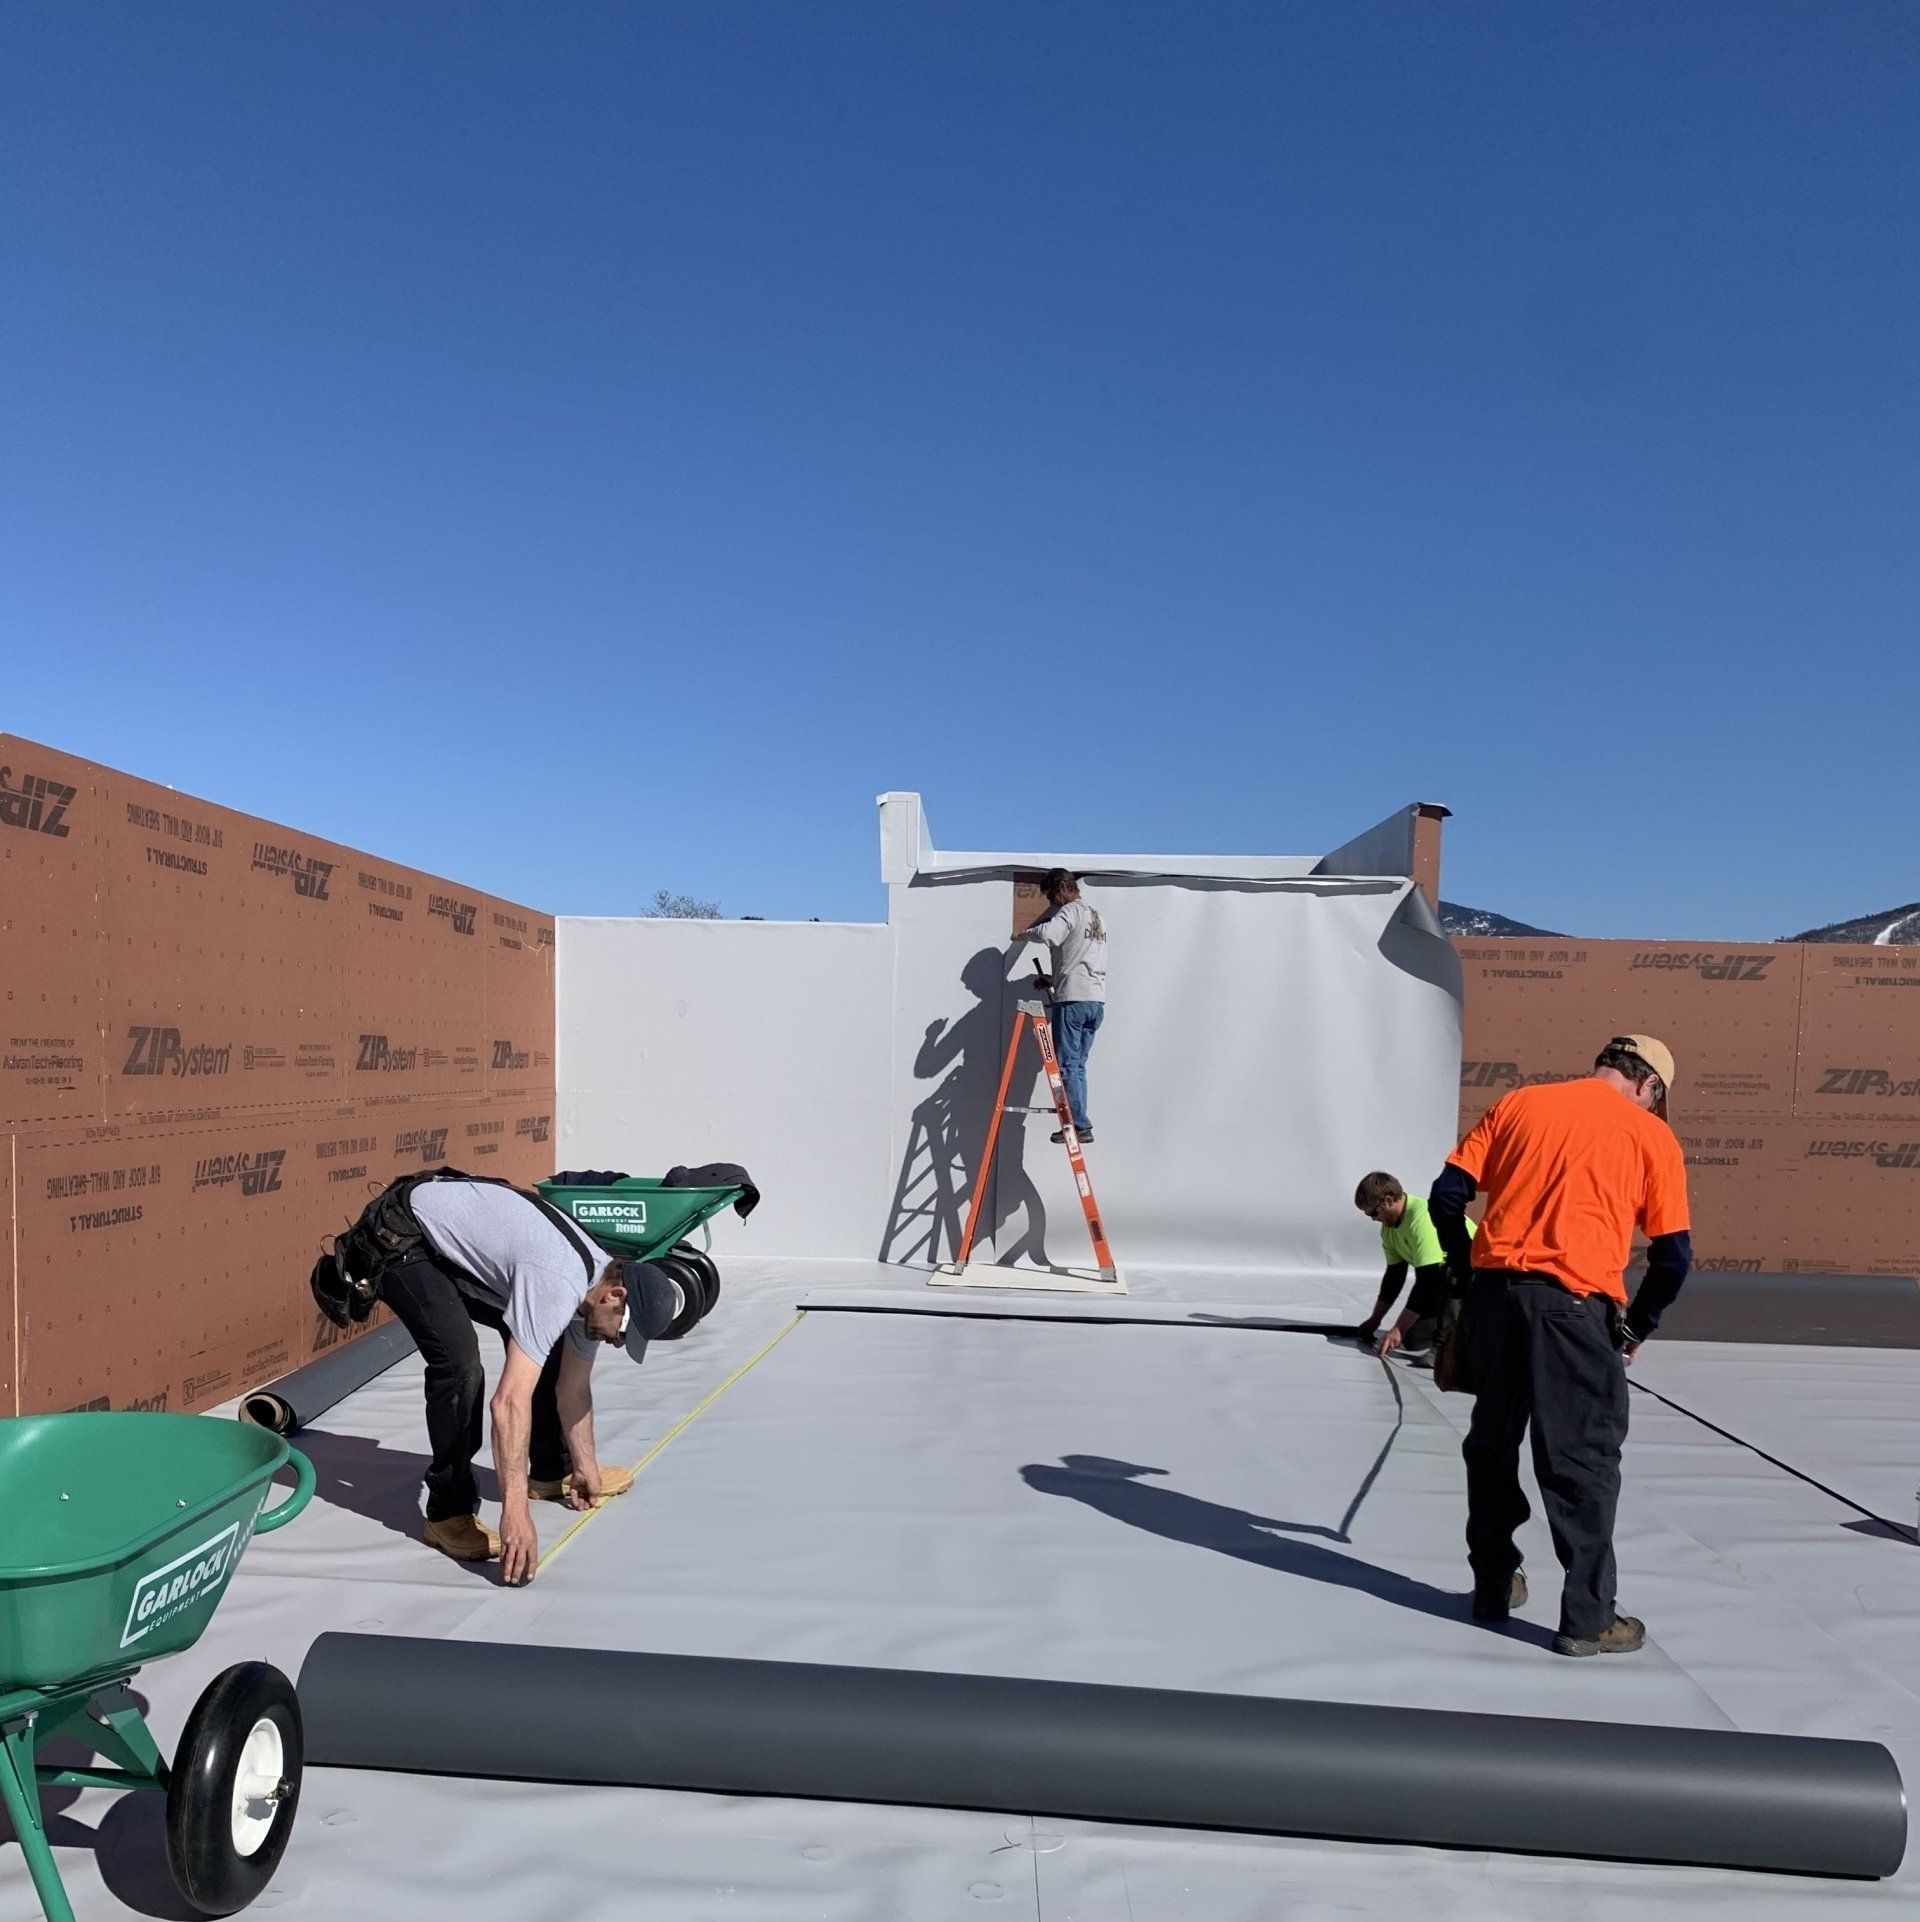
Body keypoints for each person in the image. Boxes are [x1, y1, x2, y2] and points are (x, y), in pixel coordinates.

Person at [1428, 1036, 1693, 1658]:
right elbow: (1673, 1256)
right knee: (1582, 1459)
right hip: (1573, 1310)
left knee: (1492, 1443)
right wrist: (1635, 1327)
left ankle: (1493, 1583)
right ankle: (1587, 1618)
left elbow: (1446, 1197)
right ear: (1649, 1085)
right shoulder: (1650, 1135)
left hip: (1494, 1301)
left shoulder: (1520, 1104)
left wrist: (1469, 1275)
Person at [335, 1171, 673, 1585]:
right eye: (624, 1333)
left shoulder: (594, 1289)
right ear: (616, 1296)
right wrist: (515, 1515)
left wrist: (586, 1466)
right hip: (404, 1237)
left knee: (545, 1348)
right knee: (458, 1365)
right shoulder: (559, 1282)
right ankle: (448, 1511)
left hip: (448, 1234)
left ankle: (550, 1472)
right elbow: (508, 1403)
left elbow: (574, 1387)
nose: (619, 1344)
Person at [1017, 868, 1108, 1143]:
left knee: (1068, 1065)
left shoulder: (1069, 912)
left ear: (1061, 890)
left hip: (1073, 1001)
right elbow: (1080, 957)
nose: (1052, 906)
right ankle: (1081, 1123)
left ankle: (1077, 1125)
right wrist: (1053, 980)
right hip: (1094, 1000)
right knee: (1077, 1065)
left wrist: (1023, 934)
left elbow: (1050, 935)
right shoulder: (1096, 916)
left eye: (1052, 899)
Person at [1352, 1170, 1475, 1359]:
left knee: (1448, 1275)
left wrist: (1398, 1328)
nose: (1374, 1219)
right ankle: (1459, 1329)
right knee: (1413, 1339)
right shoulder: (1389, 1230)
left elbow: (1429, 1280)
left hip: (1472, 1276)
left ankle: (1445, 1348)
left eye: (1374, 1213)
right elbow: (1394, 1277)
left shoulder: (1420, 1218)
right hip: (1441, 1282)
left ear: (1389, 1200)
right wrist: (1375, 1321)